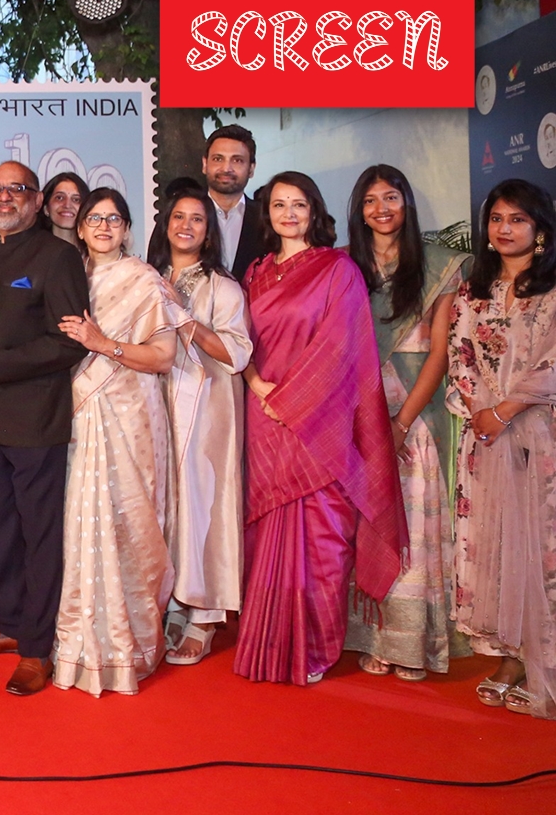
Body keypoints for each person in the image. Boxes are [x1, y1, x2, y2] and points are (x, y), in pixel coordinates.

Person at [236, 171, 405, 686]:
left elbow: (342, 350)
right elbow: (236, 341)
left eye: (299, 205)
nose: (289, 214)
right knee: (267, 534)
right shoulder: (255, 274)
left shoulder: (338, 269)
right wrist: (258, 385)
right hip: (262, 417)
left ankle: (314, 646)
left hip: (319, 423)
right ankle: (266, 641)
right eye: (279, 205)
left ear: (315, 211)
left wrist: (288, 399)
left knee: (325, 539)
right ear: (267, 213)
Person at [0, 161, 88, 694]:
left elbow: (70, 341)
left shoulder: (57, 257)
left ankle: (37, 648)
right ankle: (8, 625)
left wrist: (1, 366)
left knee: (38, 536)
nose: (4, 197)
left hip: (34, 420)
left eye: (17, 190)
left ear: (37, 201)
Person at [53, 188, 186, 696]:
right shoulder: (69, 278)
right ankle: (79, 642)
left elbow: (163, 357)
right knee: (80, 526)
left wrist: (100, 343)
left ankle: (127, 645)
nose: (104, 227)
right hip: (79, 419)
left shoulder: (143, 280)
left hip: (130, 416)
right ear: (80, 228)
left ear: (127, 229)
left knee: (129, 523)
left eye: (114, 219)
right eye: (94, 218)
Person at [342, 165, 470, 682]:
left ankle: (411, 645)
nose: (381, 208)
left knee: (413, 529)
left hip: (414, 416)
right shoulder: (346, 269)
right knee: (366, 521)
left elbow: (440, 352)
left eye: (390, 197)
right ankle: (375, 639)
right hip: (358, 411)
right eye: (370, 200)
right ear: (359, 211)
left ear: (407, 204)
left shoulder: (438, 266)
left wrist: (400, 422)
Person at [447, 178, 556, 719]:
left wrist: (505, 410)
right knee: (494, 544)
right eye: (496, 219)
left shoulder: (553, 288)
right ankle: (509, 656)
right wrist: (478, 411)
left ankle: (543, 654)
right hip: (484, 438)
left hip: (541, 436)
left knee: (540, 544)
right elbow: (460, 352)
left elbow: (552, 364)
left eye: (517, 219)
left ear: (539, 229)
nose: (505, 228)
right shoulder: (474, 290)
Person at [145, 185, 251, 666]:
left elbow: (235, 353)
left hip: (208, 410)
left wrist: (184, 317)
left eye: (198, 219)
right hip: (156, 405)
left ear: (209, 232)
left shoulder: (223, 287)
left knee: (203, 503)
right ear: (165, 224)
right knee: (166, 504)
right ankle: (176, 598)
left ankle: (207, 613)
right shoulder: (148, 278)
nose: (186, 225)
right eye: (178, 216)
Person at [201, 125, 266, 281]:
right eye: (218, 159)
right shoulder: (179, 219)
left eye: (237, 160)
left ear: (251, 169)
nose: (226, 168)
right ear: (205, 164)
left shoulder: (266, 220)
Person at [39, 171, 89, 245]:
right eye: (59, 198)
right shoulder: (32, 252)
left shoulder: (96, 253)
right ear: (46, 209)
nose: (67, 205)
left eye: (76, 200)